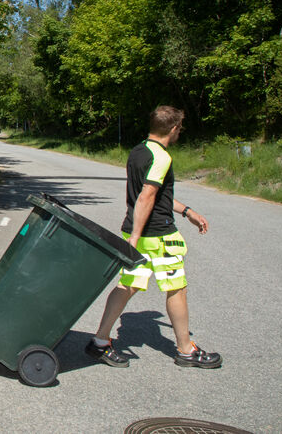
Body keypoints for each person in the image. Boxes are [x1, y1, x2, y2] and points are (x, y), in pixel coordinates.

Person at [86, 106, 222, 369]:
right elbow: (147, 196)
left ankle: (100, 341)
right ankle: (186, 350)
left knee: (128, 285)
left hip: (135, 230)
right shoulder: (161, 157)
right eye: (180, 128)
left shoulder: (138, 151)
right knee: (176, 288)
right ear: (174, 129)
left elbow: (155, 196)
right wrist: (137, 236)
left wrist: (187, 211)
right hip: (158, 235)